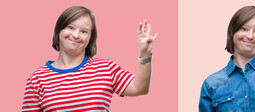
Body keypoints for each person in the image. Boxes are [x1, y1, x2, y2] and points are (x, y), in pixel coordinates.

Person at [22, 6, 158, 111]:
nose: (76, 35)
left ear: (90, 39)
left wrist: (144, 55)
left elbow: (139, 88)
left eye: (84, 31)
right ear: (59, 31)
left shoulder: (106, 68)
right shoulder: (37, 79)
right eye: (70, 27)